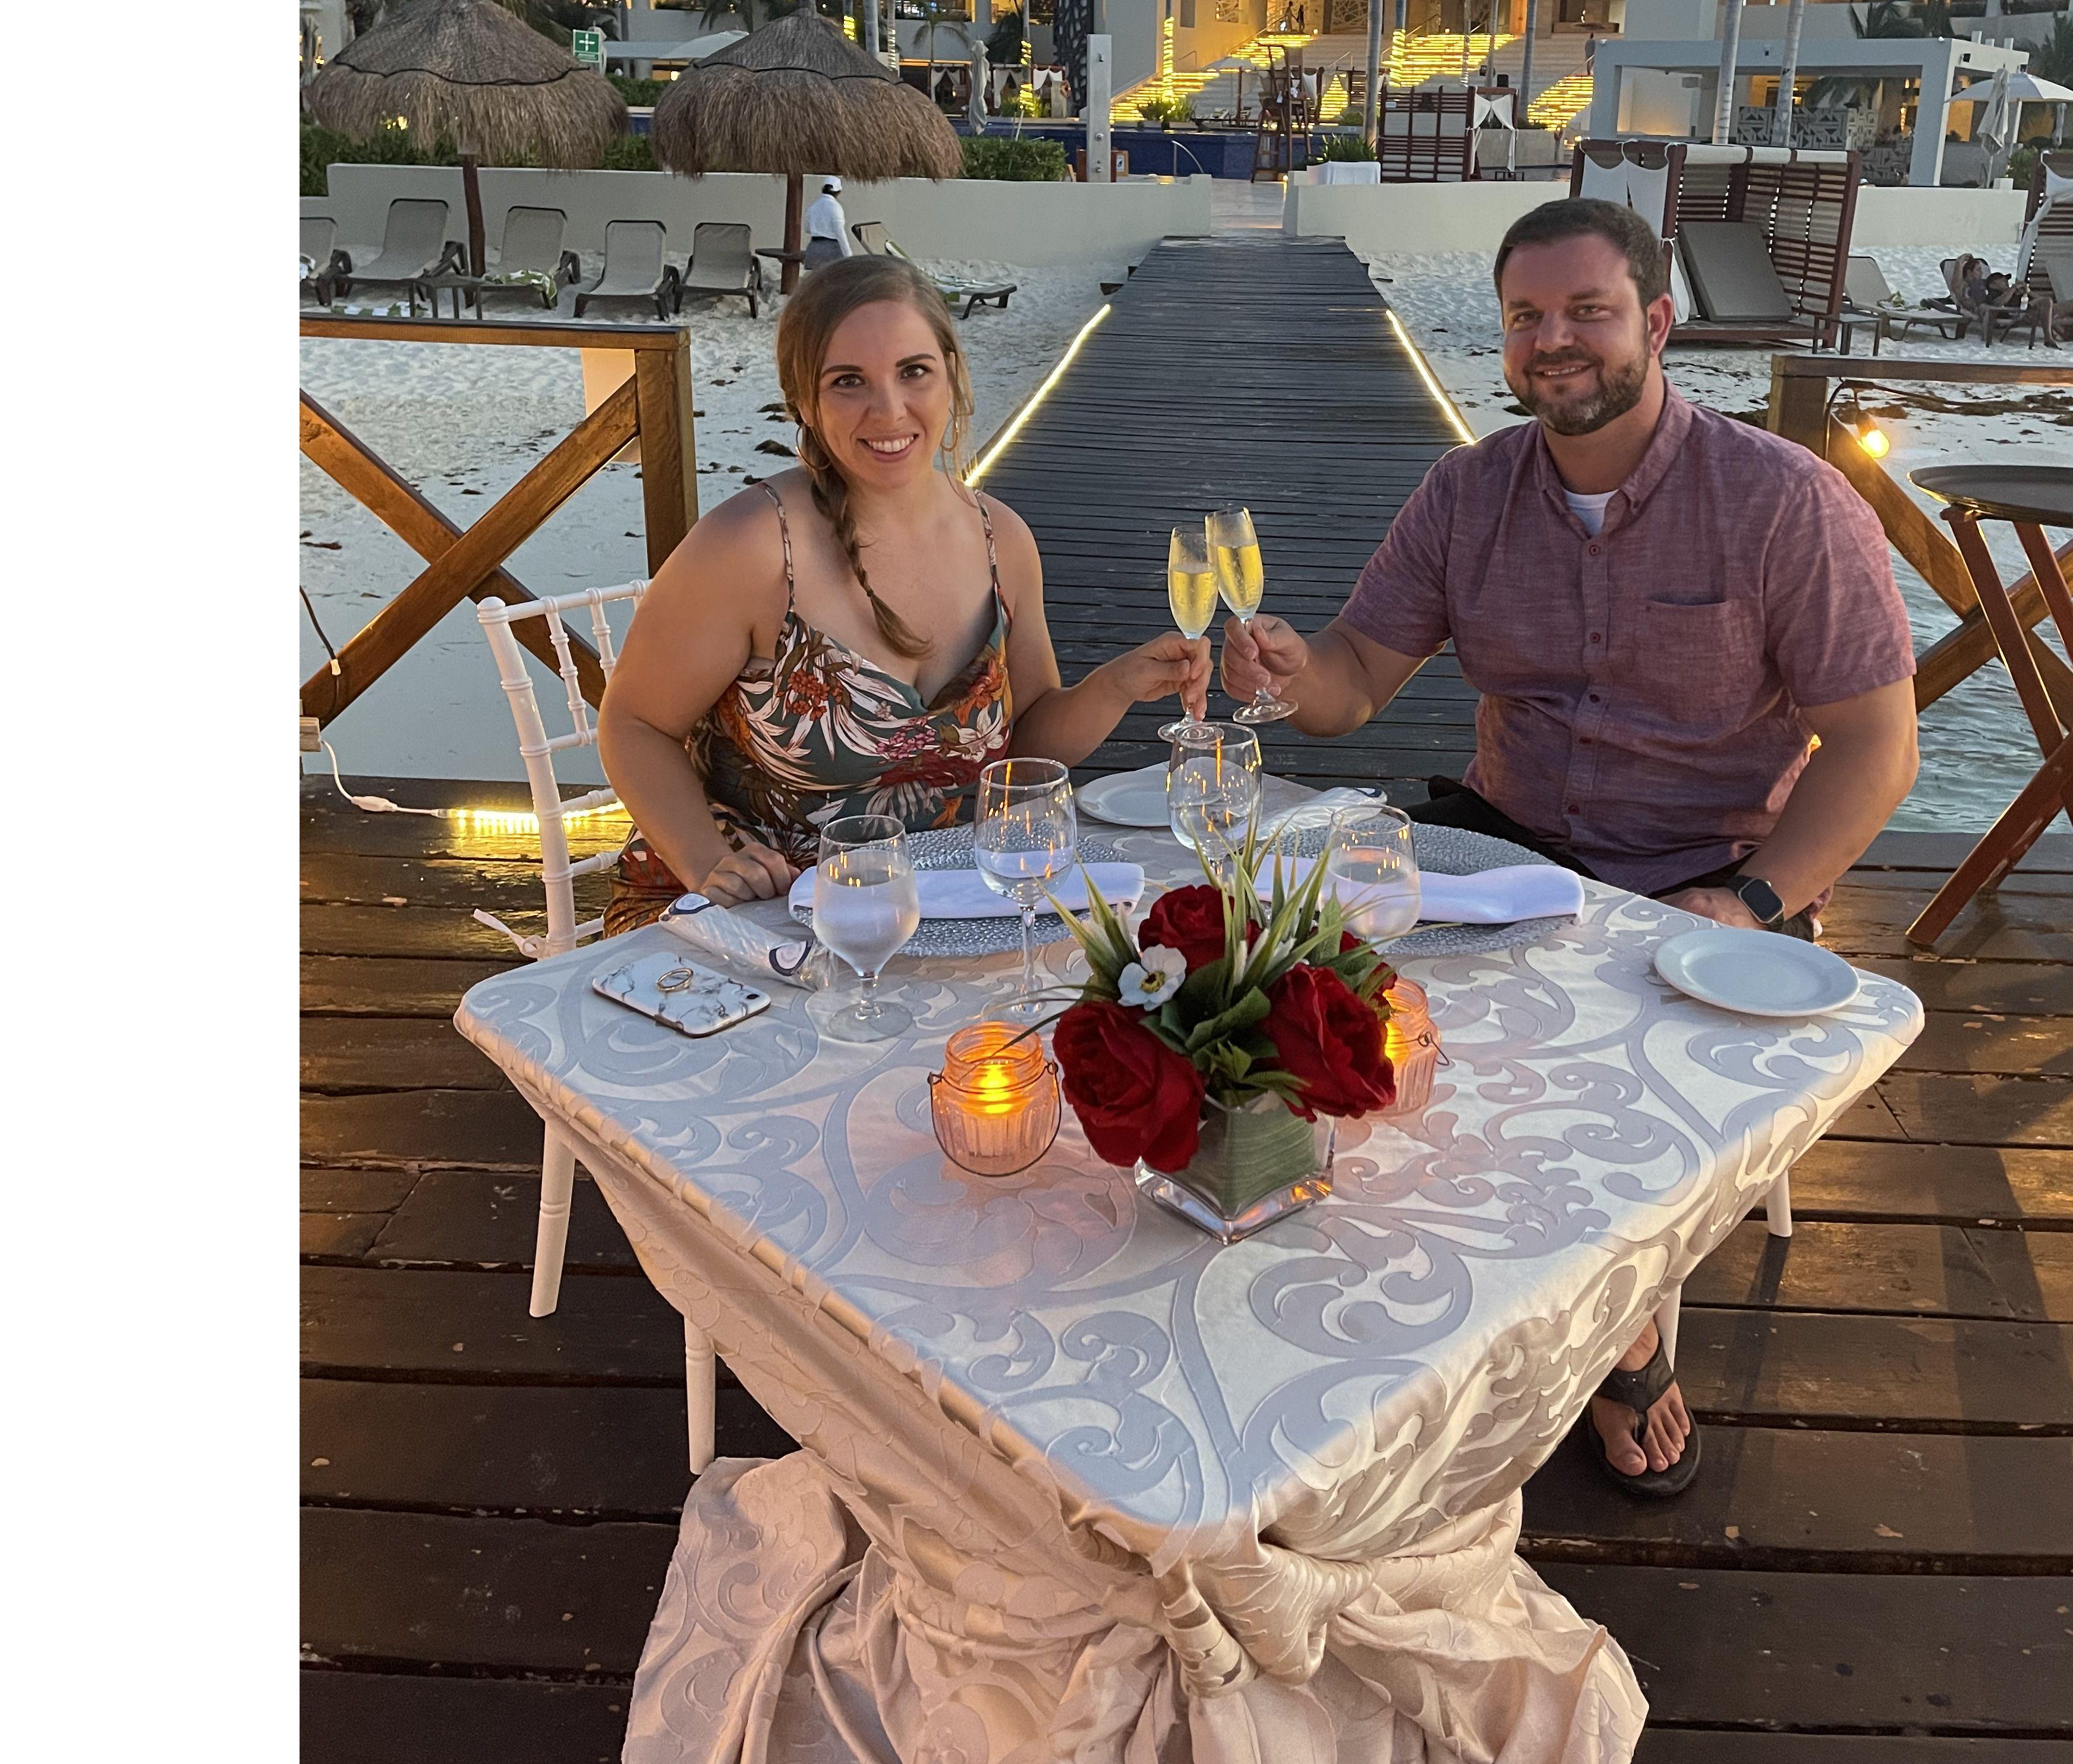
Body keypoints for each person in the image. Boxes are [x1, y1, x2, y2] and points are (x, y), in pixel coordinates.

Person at [1221, 196, 1919, 1500]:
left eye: (1588, 311)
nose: (1558, 341)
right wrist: (1286, 671)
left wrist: (1753, 901)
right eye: (1528, 317)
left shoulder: (1784, 504)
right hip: (1509, 853)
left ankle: (1626, 1327)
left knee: (1632, 1082)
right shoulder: (1468, 492)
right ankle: (1366, 1309)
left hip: (1704, 877)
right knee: (1297, 1003)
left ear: (1656, 323)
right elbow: (1360, 677)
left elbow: (1878, 750)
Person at [598, 256, 1209, 930]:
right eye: (848, 382)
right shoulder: (752, 548)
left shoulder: (1000, 541)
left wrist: (1118, 684)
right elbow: (633, 725)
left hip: (921, 906)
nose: (888, 410)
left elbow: (1031, 745)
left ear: (951, 375)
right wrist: (705, 858)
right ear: (805, 401)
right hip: (740, 915)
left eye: (913, 371)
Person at [802, 176, 849, 269]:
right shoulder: (836, 207)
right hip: (832, 249)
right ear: (838, 192)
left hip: (814, 247)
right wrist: (848, 254)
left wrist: (819, 229)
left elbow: (807, 228)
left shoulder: (814, 206)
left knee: (815, 279)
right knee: (833, 278)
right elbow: (840, 233)